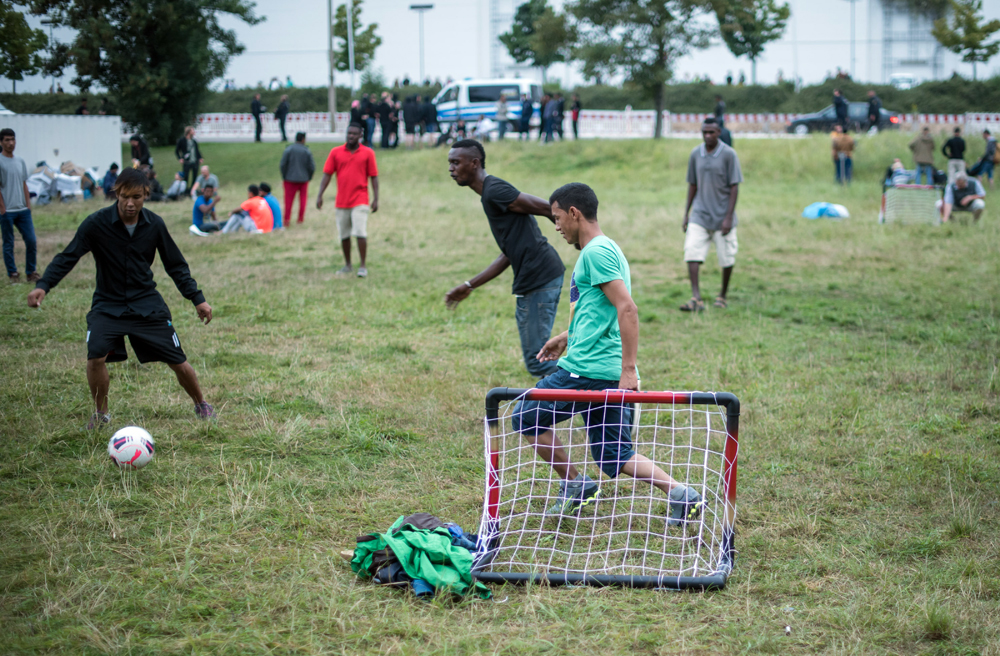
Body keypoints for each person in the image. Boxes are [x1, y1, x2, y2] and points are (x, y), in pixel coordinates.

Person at [511, 182, 703, 521]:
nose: (555, 227)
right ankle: (680, 493)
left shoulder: (596, 253)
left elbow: (627, 308)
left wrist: (629, 369)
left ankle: (574, 483)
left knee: (525, 415)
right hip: (604, 370)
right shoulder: (607, 248)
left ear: (574, 213)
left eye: (557, 218)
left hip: (587, 371)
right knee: (613, 454)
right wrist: (566, 336)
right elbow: (601, 311)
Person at [27, 167, 215, 428]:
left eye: (136, 197)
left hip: (147, 304)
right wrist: (44, 285)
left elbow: (176, 266)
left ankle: (201, 404)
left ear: (146, 195)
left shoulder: (155, 225)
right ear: (116, 193)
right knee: (95, 356)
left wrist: (197, 298)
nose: (129, 203)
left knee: (178, 360)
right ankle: (101, 414)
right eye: (124, 196)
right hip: (108, 304)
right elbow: (67, 256)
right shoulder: (96, 224)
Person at [445, 139, 565, 378]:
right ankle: (555, 409)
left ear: (474, 163)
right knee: (540, 359)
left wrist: (577, 237)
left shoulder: (494, 190)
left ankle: (607, 391)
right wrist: (470, 285)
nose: (451, 168)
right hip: (537, 277)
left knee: (538, 361)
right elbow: (508, 254)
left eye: (456, 163)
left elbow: (545, 207)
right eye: (450, 163)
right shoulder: (490, 195)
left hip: (539, 277)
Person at [680, 117, 743, 312]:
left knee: (726, 258)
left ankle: (722, 295)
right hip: (700, 213)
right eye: (704, 132)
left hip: (722, 215)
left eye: (712, 132)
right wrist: (686, 214)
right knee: (691, 252)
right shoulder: (695, 154)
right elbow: (693, 185)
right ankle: (696, 297)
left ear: (719, 133)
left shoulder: (729, 155)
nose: (708, 136)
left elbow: (734, 187)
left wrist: (728, 217)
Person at [316, 123, 379, 278]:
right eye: (349, 133)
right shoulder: (336, 152)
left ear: (360, 136)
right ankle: (348, 264)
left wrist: (376, 198)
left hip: (360, 199)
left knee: (360, 232)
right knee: (344, 235)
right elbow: (327, 174)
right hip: (342, 200)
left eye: (354, 133)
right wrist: (320, 195)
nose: (350, 136)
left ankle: (362, 265)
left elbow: (374, 177)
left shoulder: (368, 153)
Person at [0, 129, 37, 285]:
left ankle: (31, 272)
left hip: (22, 210)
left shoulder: (20, 161)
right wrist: (2, 208)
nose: (11, 143)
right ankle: (13, 273)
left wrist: (28, 205)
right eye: (7, 140)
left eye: (13, 139)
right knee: (9, 243)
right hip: (7, 211)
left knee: (31, 240)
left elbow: (24, 184)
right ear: (1, 142)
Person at [280, 131, 315, 226]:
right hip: (303, 179)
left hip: (289, 179)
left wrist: (285, 176)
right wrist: (309, 176)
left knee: (288, 200)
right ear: (303, 139)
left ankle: (287, 219)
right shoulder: (306, 150)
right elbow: (312, 166)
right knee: (303, 200)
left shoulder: (289, 149)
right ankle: (300, 219)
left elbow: (283, 164)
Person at [174, 126, 202, 192]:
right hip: (187, 162)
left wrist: (200, 157)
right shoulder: (182, 140)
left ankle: (192, 190)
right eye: (193, 131)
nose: (194, 132)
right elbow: (177, 151)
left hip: (195, 161)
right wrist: (180, 158)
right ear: (189, 132)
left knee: (195, 176)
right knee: (185, 176)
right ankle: (184, 190)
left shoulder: (194, 141)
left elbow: (197, 150)